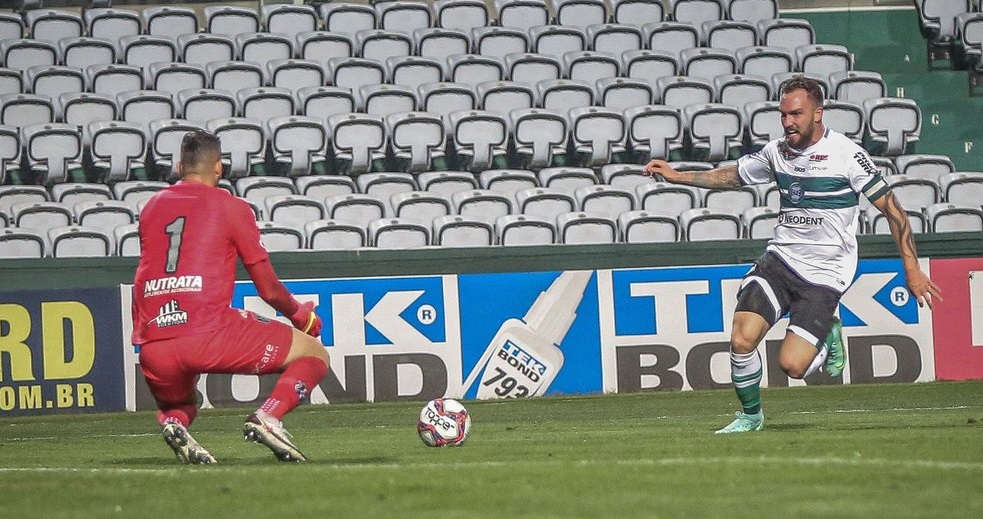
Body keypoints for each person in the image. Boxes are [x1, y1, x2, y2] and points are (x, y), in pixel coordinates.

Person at [643, 76, 942, 434]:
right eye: (783, 115)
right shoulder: (777, 152)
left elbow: (893, 210)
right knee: (741, 339)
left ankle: (829, 328)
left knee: (793, 367)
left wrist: (911, 269)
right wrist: (680, 176)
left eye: (796, 114)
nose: (788, 122)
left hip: (825, 274)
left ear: (818, 113)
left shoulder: (847, 155)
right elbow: (733, 176)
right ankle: (751, 416)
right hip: (780, 261)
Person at [132, 130, 330, 462]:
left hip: (155, 345)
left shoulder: (151, 208)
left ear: (179, 167)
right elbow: (267, 288)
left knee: (179, 403)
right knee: (314, 355)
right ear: (219, 169)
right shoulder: (231, 207)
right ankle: (268, 416)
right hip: (209, 334)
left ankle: (173, 423)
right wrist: (301, 315)